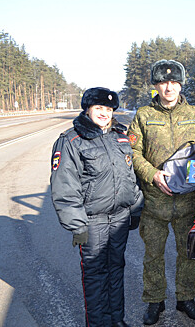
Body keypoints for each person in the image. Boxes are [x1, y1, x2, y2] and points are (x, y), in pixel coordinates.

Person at [127, 59, 195, 325]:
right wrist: (151, 174)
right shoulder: (143, 116)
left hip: (189, 201)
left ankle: (186, 298)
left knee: (189, 252)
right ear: (155, 85)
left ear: (180, 84)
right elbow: (133, 152)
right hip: (154, 202)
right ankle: (154, 301)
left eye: (174, 82)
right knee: (153, 254)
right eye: (163, 82)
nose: (169, 87)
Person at [50, 87, 144, 327]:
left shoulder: (120, 137)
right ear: (88, 109)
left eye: (109, 109)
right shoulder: (71, 140)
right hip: (93, 221)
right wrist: (76, 225)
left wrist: (135, 208)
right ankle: (98, 323)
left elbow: (129, 176)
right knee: (95, 275)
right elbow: (65, 187)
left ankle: (116, 319)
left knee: (116, 270)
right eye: (99, 108)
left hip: (120, 218)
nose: (104, 113)